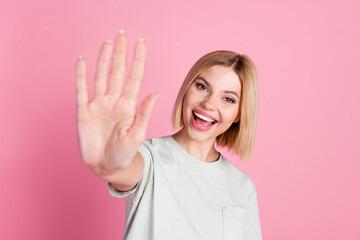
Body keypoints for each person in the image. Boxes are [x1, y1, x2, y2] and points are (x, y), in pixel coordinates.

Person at [75, 30, 262, 240]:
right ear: (187, 89)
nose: (208, 103)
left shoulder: (242, 186)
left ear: (239, 114)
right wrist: (109, 165)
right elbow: (124, 169)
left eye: (228, 99)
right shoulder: (150, 159)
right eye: (202, 86)